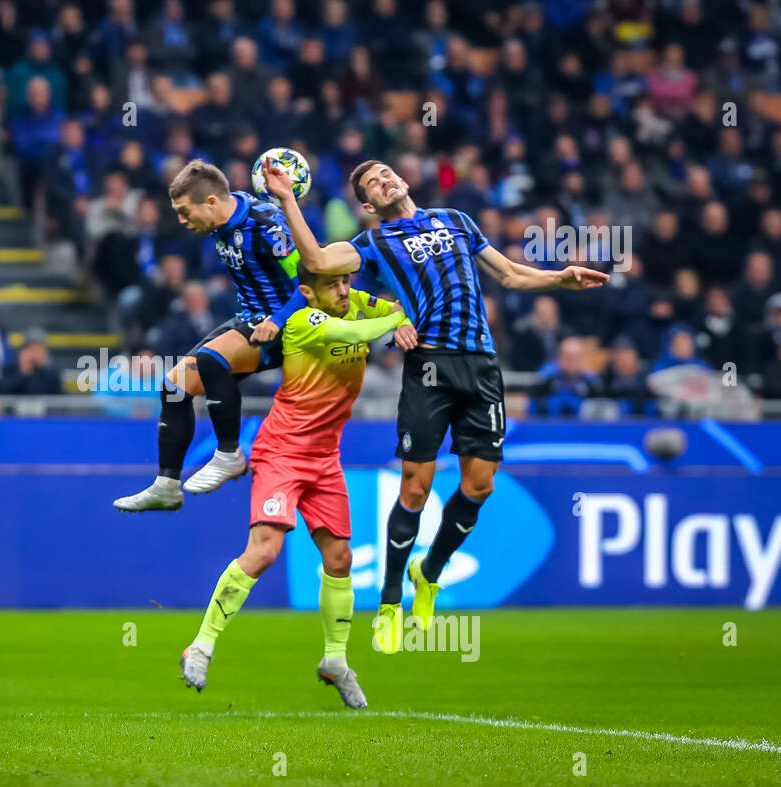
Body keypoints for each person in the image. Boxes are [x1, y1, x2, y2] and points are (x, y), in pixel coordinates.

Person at [262, 157, 608, 652]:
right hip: (429, 365)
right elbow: (316, 263)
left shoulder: (458, 221)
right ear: (367, 205)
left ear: (402, 179)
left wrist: (559, 278)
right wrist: (288, 199)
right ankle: (388, 601)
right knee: (416, 487)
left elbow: (509, 275)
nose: (383, 180)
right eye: (371, 184)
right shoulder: (372, 244)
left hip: (482, 366)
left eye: (386, 173)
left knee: (479, 485)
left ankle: (431, 573)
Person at [179, 262, 412, 705]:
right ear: (307, 291)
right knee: (265, 551)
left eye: (347, 282)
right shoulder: (306, 321)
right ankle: (202, 645)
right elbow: (357, 336)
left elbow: (398, 306)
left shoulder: (354, 303)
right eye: (333, 284)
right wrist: (398, 320)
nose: (344, 291)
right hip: (283, 452)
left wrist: (400, 311)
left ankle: (335, 662)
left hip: (325, 459)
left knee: (340, 557)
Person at [113, 159, 304, 513]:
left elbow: (307, 284)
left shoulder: (266, 225)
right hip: (248, 318)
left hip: (287, 325)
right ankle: (167, 485)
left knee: (210, 360)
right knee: (174, 386)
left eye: (185, 212)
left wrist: (277, 320)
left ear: (212, 202)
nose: (182, 220)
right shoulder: (219, 221)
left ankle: (229, 454)